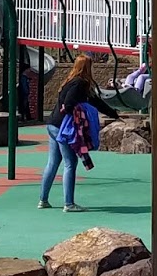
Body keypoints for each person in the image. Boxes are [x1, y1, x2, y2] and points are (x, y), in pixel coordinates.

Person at [40, 54, 116, 213]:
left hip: (53, 124)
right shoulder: (80, 84)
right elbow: (69, 103)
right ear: (87, 67)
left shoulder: (69, 81)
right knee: (70, 162)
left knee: (53, 162)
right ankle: (69, 204)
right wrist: (72, 111)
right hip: (63, 128)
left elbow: (96, 102)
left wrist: (113, 114)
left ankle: (43, 200)